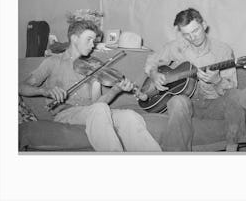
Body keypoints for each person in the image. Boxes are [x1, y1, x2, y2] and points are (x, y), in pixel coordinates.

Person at [19, 20, 161, 152]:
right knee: (99, 110)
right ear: (74, 38)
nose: (92, 44)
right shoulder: (53, 62)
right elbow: (21, 87)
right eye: (89, 39)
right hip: (65, 114)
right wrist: (45, 91)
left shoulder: (93, 66)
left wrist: (116, 90)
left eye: (94, 40)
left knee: (130, 116)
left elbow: (97, 104)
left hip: (90, 112)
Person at [144, 8, 246, 152]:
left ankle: (232, 149)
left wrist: (217, 80)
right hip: (188, 102)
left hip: (213, 103)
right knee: (176, 101)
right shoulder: (176, 46)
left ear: (204, 25)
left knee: (236, 96)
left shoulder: (223, 50)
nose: (193, 37)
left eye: (196, 31)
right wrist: (154, 74)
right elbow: (152, 59)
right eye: (187, 34)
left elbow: (232, 87)